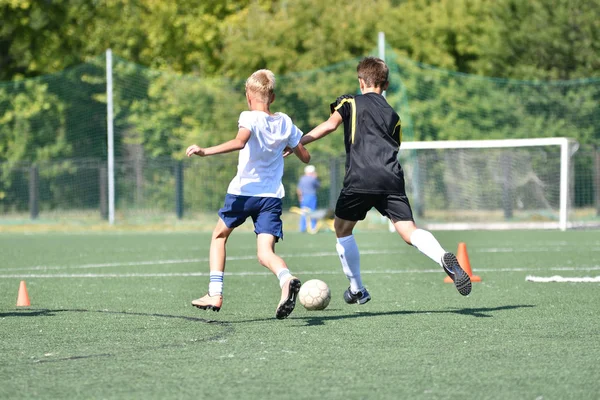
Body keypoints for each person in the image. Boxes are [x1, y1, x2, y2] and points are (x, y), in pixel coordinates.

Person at [295, 56, 471, 303]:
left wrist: (298, 141)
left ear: (360, 81)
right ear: (385, 84)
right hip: (391, 178)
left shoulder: (350, 102)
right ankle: (442, 255)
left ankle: (357, 289)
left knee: (342, 228)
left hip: (360, 176)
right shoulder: (393, 115)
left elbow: (329, 126)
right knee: (409, 231)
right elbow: (395, 146)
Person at [186, 69, 311, 319]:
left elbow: (240, 142)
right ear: (272, 97)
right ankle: (286, 279)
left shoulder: (248, 117)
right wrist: (290, 147)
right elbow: (306, 156)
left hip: (243, 193)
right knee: (265, 253)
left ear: (248, 95)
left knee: (219, 236)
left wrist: (205, 151)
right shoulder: (285, 122)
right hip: (272, 197)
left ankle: (215, 293)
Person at [296, 164, 321, 232]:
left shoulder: (302, 178)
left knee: (304, 213)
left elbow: (298, 189)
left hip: (304, 197)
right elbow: (318, 186)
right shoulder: (313, 178)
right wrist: (316, 177)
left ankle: (302, 228)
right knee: (312, 212)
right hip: (312, 197)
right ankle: (313, 228)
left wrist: (300, 197)